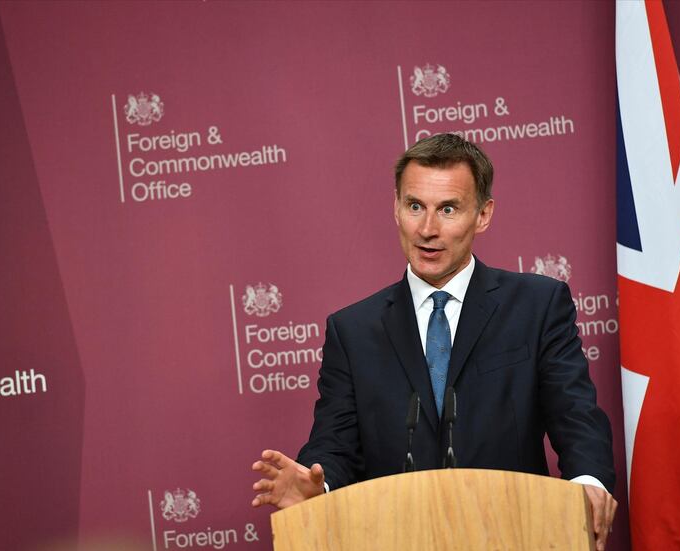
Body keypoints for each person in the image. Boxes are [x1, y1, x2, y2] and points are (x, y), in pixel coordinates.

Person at [251, 134, 617, 549]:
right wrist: (319, 489)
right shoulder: (352, 331)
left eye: (448, 209)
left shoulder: (537, 306)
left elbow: (575, 415)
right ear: (396, 209)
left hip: (516, 532)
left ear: (483, 214)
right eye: (414, 207)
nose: (427, 229)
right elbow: (334, 448)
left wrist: (588, 484)